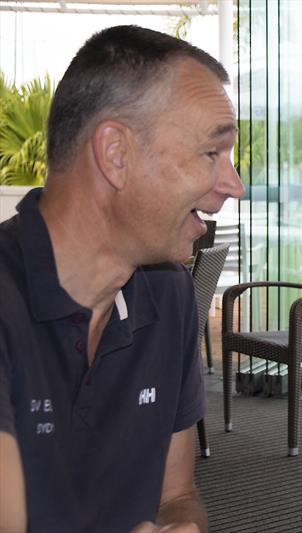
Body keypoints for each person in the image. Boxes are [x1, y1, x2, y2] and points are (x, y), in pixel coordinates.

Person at [0, 25, 244, 532]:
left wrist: (184, 525)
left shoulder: (168, 292)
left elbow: (176, 495)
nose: (233, 186)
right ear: (115, 154)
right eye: (210, 154)